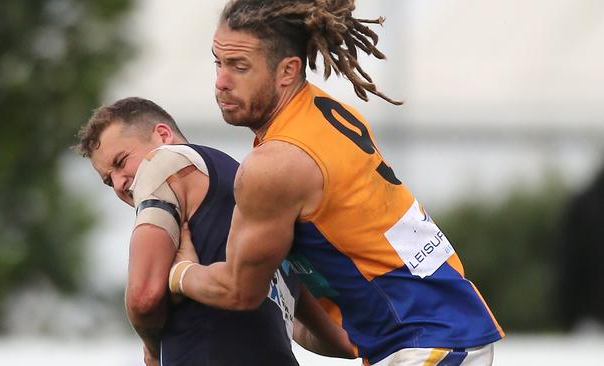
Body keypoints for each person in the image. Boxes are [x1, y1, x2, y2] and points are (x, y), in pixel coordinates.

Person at [169, 1, 505, 365]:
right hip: (435, 329)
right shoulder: (322, 110)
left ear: (287, 70)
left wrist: (179, 273)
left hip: (426, 341)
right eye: (218, 63)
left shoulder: (275, 164)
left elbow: (239, 291)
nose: (220, 81)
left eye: (239, 67)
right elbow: (344, 336)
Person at [74, 97, 355, 366]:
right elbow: (339, 340)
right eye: (108, 181)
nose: (120, 183)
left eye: (121, 161)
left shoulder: (162, 163)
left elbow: (144, 298)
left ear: (162, 135)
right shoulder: (264, 206)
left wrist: (152, 349)